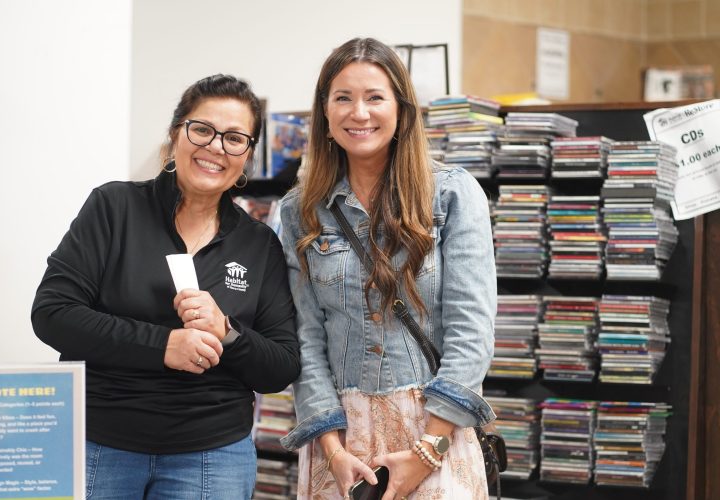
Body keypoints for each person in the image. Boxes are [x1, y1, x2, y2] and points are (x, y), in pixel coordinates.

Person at [32, 74, 300, 499]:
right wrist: (164, 345)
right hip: (100, 443)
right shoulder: (113, 208)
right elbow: (53, 314)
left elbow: (281, 366)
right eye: (202, 130)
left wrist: (226, 332)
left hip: (213, 457)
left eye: (234, 138)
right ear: (177, 132)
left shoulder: (259, 243)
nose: (215, 147)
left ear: (247, 155)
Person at [279, 38, 497, 500]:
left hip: (437, 432)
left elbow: (471, 330)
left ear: (401, 109)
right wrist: (334, 452)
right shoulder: (300, 211)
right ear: (324, 112)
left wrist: (427, 451)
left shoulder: (452, 196)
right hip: (340, 445)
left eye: (375, 97)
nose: (359, 113)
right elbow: (304, 336)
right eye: (343, 98)